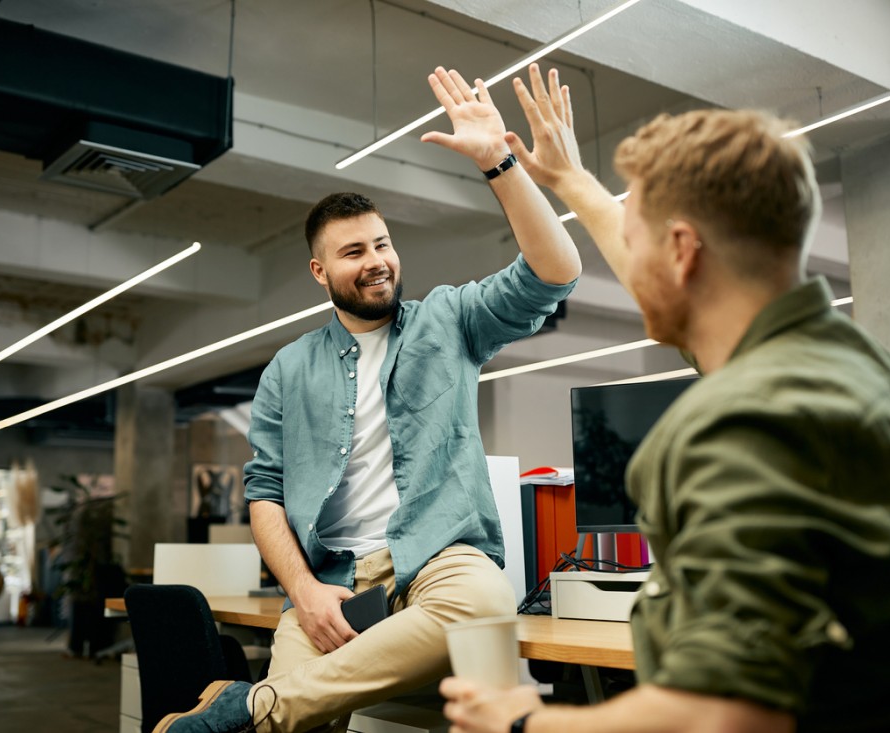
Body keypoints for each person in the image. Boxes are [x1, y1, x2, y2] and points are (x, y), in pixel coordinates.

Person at [440, 64, 890, 733]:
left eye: (637, 244)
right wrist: (571, 181)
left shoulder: (742, 422)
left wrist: (522, 722)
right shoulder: (848, 363)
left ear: (683, 251)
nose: (631, 266)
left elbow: (725, 713)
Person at [154, 66, 582, 733]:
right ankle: (266, 707)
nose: (377, 260)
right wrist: (302, 590)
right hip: (335, 581)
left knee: (484, 606)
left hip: (442, 556)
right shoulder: (288, 369)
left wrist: (498, 161)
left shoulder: (449, 320)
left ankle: (248, 703)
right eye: (354, 251)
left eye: (382, 243)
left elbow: (554, 272)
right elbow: (264, 490)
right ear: (320, 272)